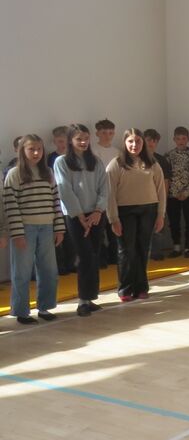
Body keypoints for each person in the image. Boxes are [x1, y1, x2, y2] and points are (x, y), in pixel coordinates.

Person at [4, 134, 65, 324]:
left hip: (47, 227)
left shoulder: (48, 172)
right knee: (21, 272)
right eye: (32, 149)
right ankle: (21, 311)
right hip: (25, 228)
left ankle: (45, 307)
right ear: (22, 151)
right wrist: (17, 233)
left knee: (49, 270)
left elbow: (56, 201)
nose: (36, 152)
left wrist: (59, 228)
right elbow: (10, 205)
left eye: (39, 149)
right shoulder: (15, 174)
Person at [54, 124, 110, 316]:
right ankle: (82, 301)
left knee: (94, 255)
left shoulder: (96, 161)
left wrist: (98, 211)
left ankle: (90, 297)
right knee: (84, 256)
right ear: (70, 140)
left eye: (86, 138)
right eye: (79, 139)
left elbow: (104, 188)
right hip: (75, 216)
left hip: (96, 215)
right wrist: (80, 216)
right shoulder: (62, 162)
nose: (83, 142)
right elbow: (65, 190)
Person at [107, 129, 165, 302]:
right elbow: (109, 194)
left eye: (138, 141)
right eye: (131, 141)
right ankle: (125, 288)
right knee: (126, 250)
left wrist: (160, 215)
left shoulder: (152, 163)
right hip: (125, 212)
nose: (134, 145)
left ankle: (141, 287)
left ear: (143, 143)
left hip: (149, 210)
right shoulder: (116, 164)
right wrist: (113, 219)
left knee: (142, 249)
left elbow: (161, 190)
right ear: (125, 142)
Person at [166, 126, 189, 258]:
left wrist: (187, 192)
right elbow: (167, 176)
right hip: (173, 195)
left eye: (183, 138)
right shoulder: (169, 155)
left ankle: (188, 247)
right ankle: (176, 246)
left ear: (188, 139)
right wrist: (175, 192)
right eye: (178, 139)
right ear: (174, 139)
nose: (181, 141)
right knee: (174, 222)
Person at [48, 125, 76, 274]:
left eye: (64, 141)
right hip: (57, 200)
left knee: (71, 234)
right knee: (59, 233)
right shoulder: (51, 158)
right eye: (59, 141)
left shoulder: (74, 157)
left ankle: (71, 263)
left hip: (72, 200)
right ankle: (60, 265)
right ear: (54, 141)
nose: (62, 144)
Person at [144, 129, 173, 261]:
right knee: (142, 227)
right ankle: (143, 253)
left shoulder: (161, 160)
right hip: (141, 199)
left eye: (154, 141)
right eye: (148, 140)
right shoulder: (137, 159)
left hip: (157, 199)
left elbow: (166, 182)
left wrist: (163, 200)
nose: (151, 143)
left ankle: (156, 252)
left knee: (158, 226)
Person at [93, 119, 119, 265]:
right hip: (98, 194)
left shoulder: (117, 152)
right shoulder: (92, 151)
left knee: (113, 225)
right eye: (104, 133)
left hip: (114, 194)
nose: (107, 136)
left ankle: (114, 256)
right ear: (97, 133)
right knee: (99, 228)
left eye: (110, 133)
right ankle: (101, 257)